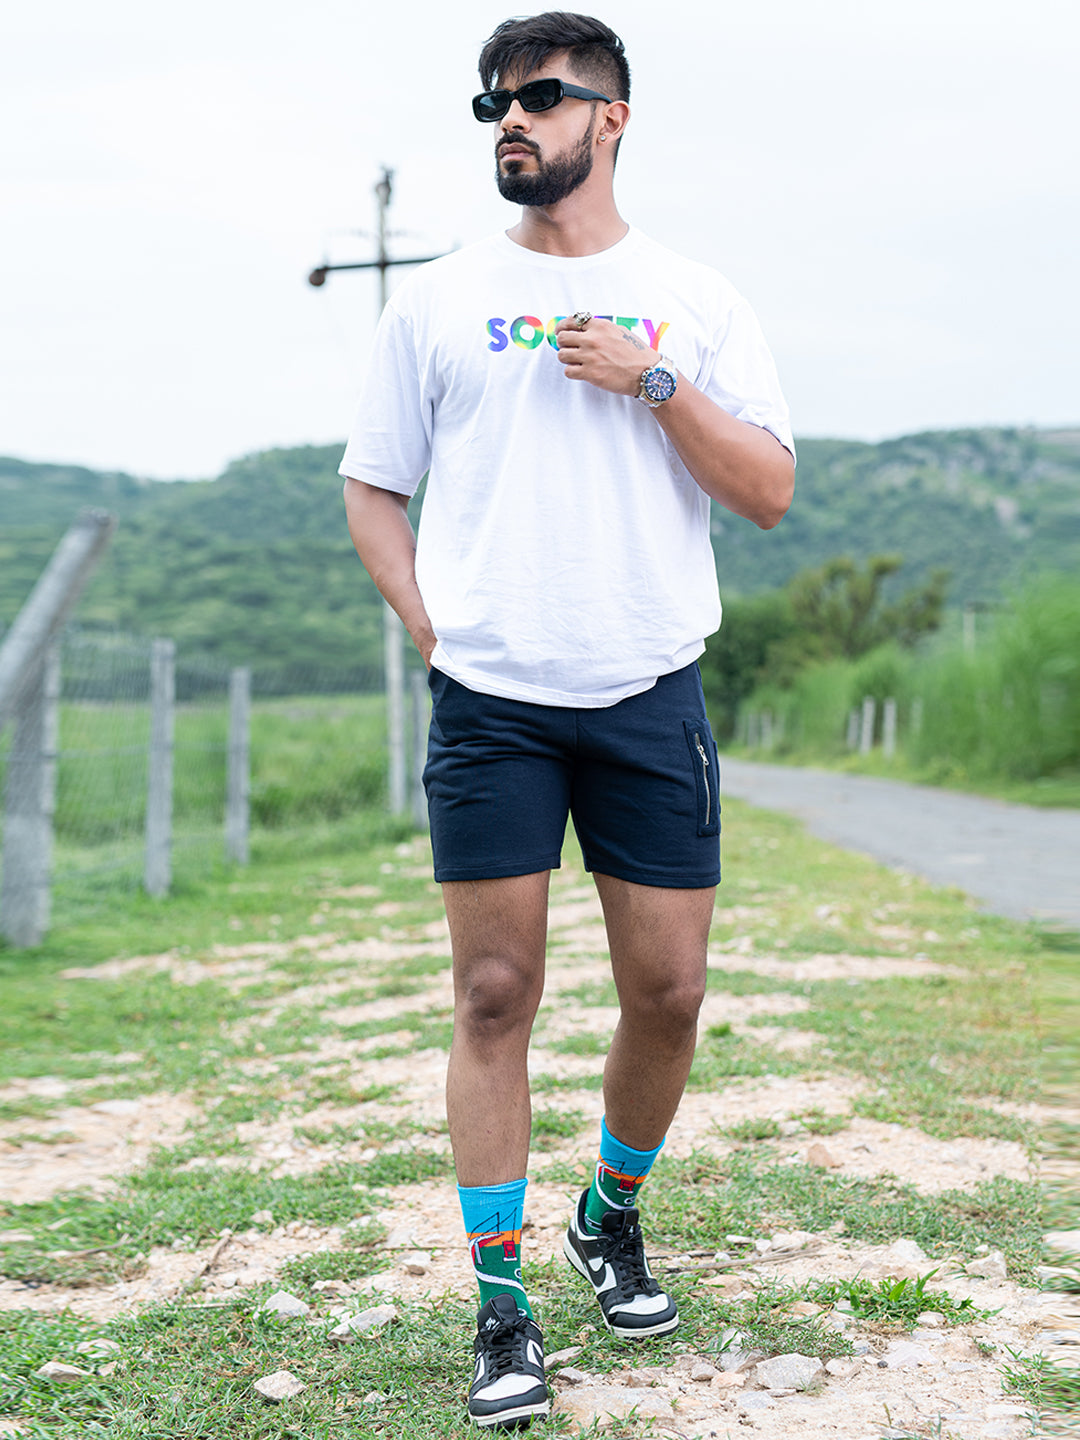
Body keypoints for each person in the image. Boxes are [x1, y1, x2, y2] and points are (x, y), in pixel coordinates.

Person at [341, 11, 794, 1428]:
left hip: (650, 683)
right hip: (495, 703)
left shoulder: (695, 298)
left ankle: (610, 1212)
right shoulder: (433, 301)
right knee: (493, 996)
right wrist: (435, 625)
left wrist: (654, 382)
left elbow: (769, 487)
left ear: (615, 117)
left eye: (543, 95)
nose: (512, 119)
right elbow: (373, 487)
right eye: (495, 101)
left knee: (668, 993)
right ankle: (501, 1301)